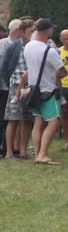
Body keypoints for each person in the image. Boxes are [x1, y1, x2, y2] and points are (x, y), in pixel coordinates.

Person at [21, 18, 67, 165]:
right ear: (49, 31)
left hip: (33, 91)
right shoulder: (50, 51)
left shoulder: (28, 46)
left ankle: (37, 154)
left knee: (38, 122)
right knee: (54, 122)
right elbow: (62, 72)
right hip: (48, 91)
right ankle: (43, 154)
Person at [3, 18, 35, 160]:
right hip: (16, 85)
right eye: (30, 32)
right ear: (22, 32)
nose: (32, 34)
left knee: (27, 119)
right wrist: (10, 85)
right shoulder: (14, 47)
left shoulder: (34, 47)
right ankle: (9, 152)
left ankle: (23, 151)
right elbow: (4, 68)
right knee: (13, 118)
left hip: (29, 87)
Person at [0, 19, 22, 156]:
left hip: (16, 87)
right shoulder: (2, 44)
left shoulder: (23, 45)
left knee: (13, 118)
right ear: (17, 31)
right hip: (4, 87)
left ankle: (11, 147)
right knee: (2, 118)